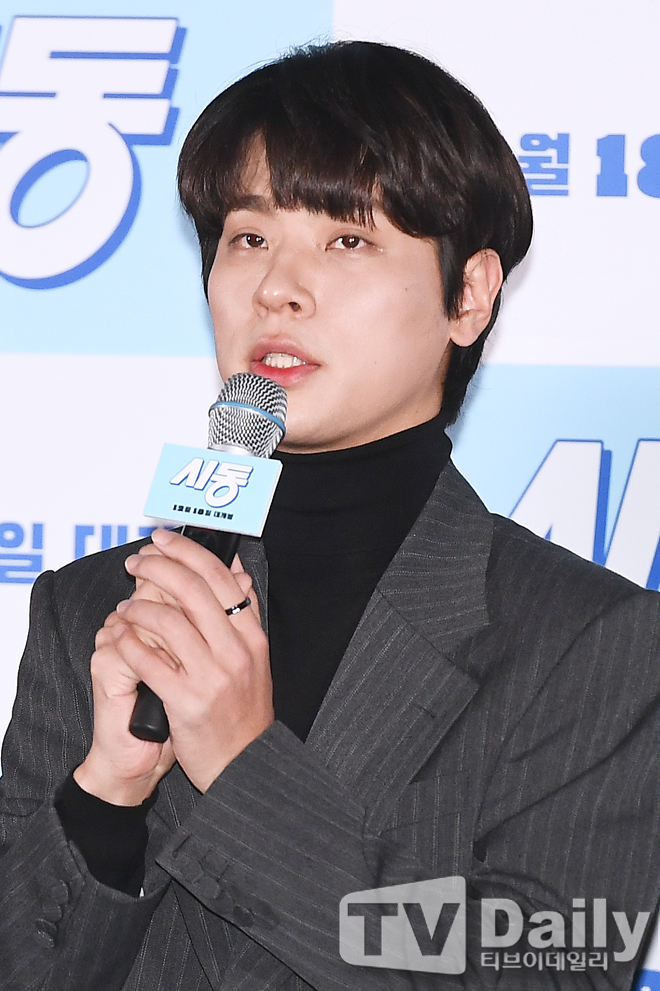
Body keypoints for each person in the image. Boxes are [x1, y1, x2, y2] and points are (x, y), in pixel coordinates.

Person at [2, 40, 660, 991]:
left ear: (469, 294)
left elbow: (544, 974)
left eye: (346, 240)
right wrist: (106, 792)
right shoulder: (93, 610)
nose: (277, 287)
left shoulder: (592, 643)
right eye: (249, 237)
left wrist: (244, 769)